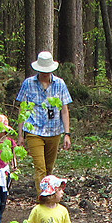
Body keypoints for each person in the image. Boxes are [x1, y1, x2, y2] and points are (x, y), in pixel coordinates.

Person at [16, 51, 73, 180]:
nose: (45, 73)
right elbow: (23, 110)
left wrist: (67, 134)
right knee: (40, 167)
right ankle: (41, 199)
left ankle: (49, 197)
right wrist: (20, 134)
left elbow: (64, 110)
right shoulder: (28, 83)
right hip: (34, 130)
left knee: (48, 168)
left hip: (54, 131)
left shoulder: (60, 84)